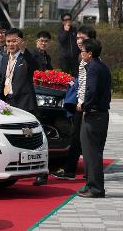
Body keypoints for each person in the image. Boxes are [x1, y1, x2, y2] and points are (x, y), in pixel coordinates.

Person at [0, 28, 47, 186]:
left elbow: (35, 66)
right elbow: (0, 80)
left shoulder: (26, 58)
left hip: (25, 105)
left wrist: (24, 51)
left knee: (33, 140)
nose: (11, 44)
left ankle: (41, 172)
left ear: (21, 41)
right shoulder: (4, 58)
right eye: (8, 41)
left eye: (14, 41)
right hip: (8, 103)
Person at [52, 26, 97, 180]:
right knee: (78, 137)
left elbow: (89, 85)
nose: (78, 41)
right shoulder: (81, 56)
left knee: (82, 137)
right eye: (77, 38)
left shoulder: (91, 59)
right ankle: (75, 169)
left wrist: (83, 102)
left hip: (86, 105)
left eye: (82, 38)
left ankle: (78, 171)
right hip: (82, 103)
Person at [78, 39, 111, 198]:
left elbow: (91, 91)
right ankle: (91, 184)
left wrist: (85, 106)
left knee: (92, 153)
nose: (81, 53)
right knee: (90, 151)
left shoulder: (93, 68)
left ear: (90, 54)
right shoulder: (100, 66)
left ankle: (96, 188)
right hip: (100, 113)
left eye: (83, 50)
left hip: (95, 114)